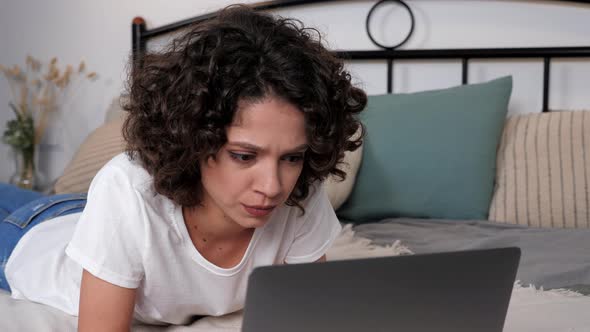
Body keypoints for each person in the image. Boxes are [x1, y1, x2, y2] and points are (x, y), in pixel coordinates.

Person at [0, 5, 366, 330]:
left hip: (98, 213)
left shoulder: (299, 191)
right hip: (34, 234)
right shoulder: (126, 190)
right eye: (243, 155)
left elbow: (311, 316)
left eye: (291, 157)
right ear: (196, 138)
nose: (272, 186)